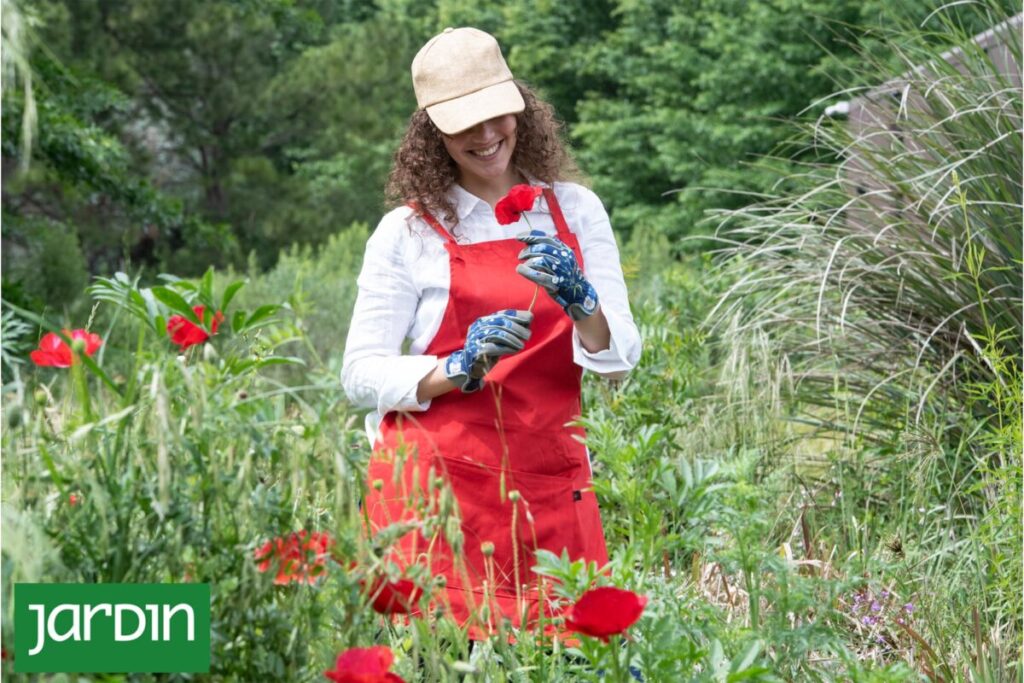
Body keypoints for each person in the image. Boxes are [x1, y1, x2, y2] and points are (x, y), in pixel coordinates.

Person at [341, 26, 642, 637]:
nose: (485, 137)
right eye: (462, 125)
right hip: (437, 498)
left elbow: (622, 356)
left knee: (578, 658)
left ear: (519, 109)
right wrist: (457, 365)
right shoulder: (407, 233)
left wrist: (583, 302)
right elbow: (359, 373)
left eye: (495, 116)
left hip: (552, 487)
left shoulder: (576, 211)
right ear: (433, 133)